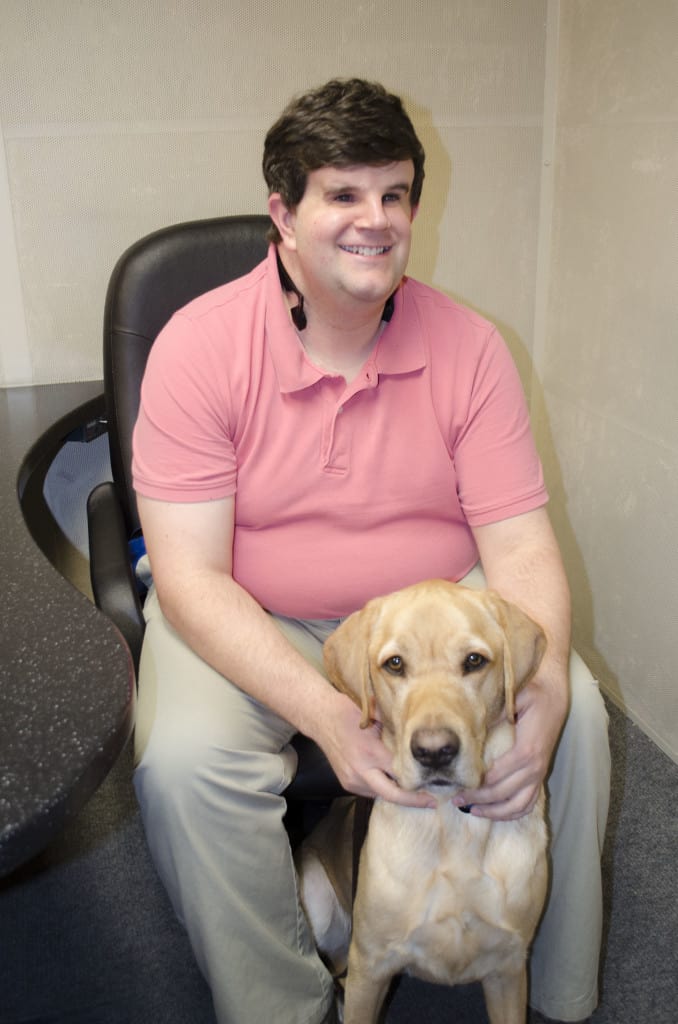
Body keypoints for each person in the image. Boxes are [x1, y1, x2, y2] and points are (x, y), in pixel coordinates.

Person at [131, 78, 610, 1024]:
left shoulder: (472, 348)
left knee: (580, 712)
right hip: (251, 608)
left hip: (433, 610)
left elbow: (519, 554)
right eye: (343, 195)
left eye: (394, 195)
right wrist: (326, 709)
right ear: (284, 213)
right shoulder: (198, 347)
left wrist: (543, 688)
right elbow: (187, 574)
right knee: (186, 763)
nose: (375, 220)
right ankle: (281, 1004)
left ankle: (555, 988)